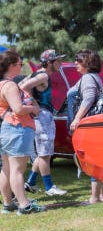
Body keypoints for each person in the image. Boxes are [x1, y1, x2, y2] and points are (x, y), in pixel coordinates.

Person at [0, 49, 45, 214]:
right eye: (20, 64)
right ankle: (24, 205)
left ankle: (7, 203)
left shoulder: (2, 84)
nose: (21, 67)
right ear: (11, 66)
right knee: (17, 170)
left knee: (6, 168)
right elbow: (18, 109)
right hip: (18, 129)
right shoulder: (10, 85)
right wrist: (33, 108)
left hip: (7, 129)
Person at [19, 50, 68, 196]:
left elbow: (21, 84)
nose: (60, 63)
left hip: (41, 117)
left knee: (42, 154)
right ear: (49, 62)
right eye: (57, 61)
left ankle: (31, 182)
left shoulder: (36, 74)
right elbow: (22, 88)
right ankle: (49, 187)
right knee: (45, 155)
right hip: (42, 117)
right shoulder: (43, 75)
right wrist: (34, 105)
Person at [68, 49, 103, 204]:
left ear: (87, 63)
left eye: (78, 60)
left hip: (89, 124)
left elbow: (89, 98)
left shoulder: (88, 78)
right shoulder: (92, 77)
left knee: (92, 159)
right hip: (96, 123)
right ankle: (102, 195)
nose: (75, 63)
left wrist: (77, 118)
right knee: (98, 158)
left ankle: (94, 197)